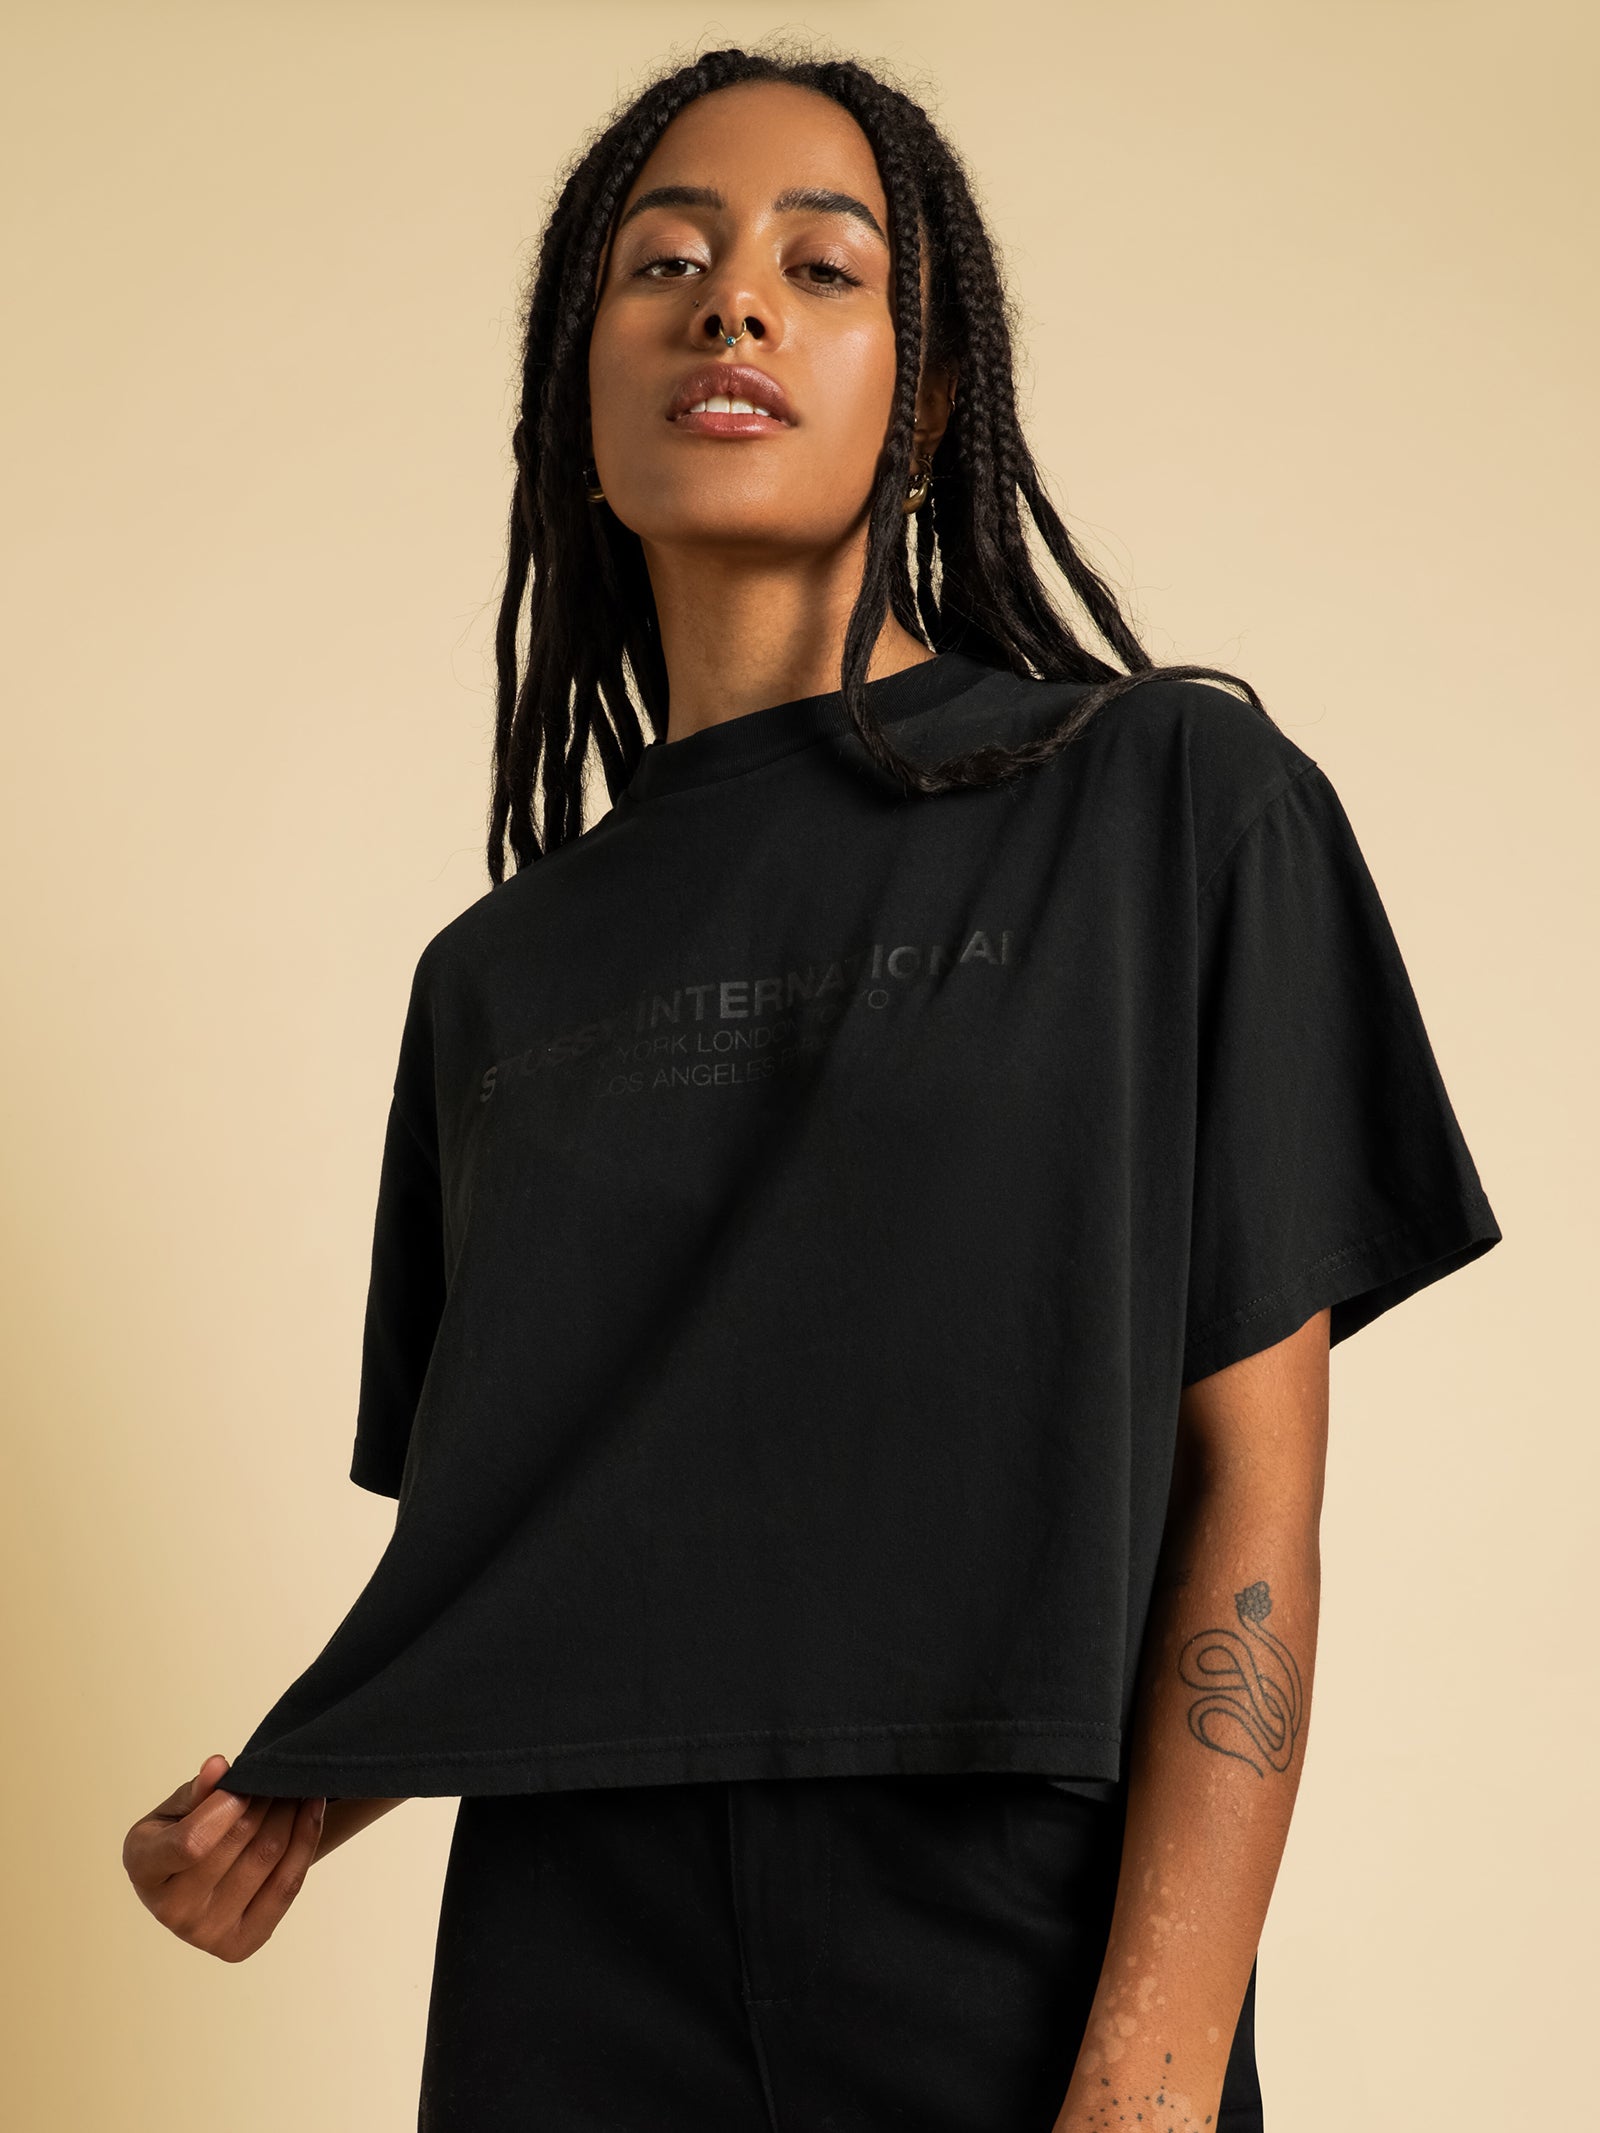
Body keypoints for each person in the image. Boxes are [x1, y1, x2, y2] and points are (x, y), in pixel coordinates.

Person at [119, 44, 1501, 2133]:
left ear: (923, 400)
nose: (732, 306)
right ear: (577, 406)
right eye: (662, 264)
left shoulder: (1163, 806)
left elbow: (1250, 1495)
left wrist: (1144, 2082)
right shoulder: (495, 981)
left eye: (821, 267)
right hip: (565, 1967)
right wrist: (302, 1797)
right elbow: (573, 1547)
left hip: (1010, 1936)